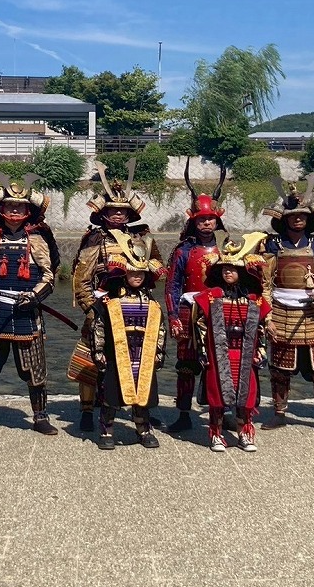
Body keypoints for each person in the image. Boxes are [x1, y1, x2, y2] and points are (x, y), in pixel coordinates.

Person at [70, 160, 161, 431]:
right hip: (102, 306)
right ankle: (87, 410)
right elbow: (81, 278)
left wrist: (148, 272)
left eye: (123, 211)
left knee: (137, 358)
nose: (119, 215)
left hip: (134, 307)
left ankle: (139, 409)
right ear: (104, 213)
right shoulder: (95, 239)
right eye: (113, 210)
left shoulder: (142, 237)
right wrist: (90, 308)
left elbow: (157, 266)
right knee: (91, 358)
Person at [0, 176, 59, 437]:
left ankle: (40, 417)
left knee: (35, 370)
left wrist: (34, 296)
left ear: (28, 210)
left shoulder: (37, 240)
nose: (15, 210)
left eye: (20, 206)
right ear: (1, 209)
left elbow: (48, 276)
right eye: (10, 205)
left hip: (26, 311)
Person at [260, 175, 314, 435]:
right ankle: (279, 414)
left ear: (308, 218)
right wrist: (267, 316)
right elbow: (266, 282)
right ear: (285, 219)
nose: (297, 219)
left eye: (302, 216)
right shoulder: (273, 244)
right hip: (282, 312)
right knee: (279, 370)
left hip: (312, 313)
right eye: (293, 216)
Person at [192, 233, 271, 452]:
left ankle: (244, 433)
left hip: (244, 354)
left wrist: (261, 351)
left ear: (242, 272)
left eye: (233, 269)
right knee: (217, 395)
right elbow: (200, 327)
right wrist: (202, 352)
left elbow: (261, 329)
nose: (228, 272)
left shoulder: (253, 300)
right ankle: (216, 434)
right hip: (218, 354)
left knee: (245, 397)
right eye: (225, 269)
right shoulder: (210, 297)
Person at [164, 165, 228, 433]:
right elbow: (172, 285)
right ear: (193, 222)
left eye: (210, 219)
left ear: (217, 221)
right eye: (202, 220)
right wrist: (173, 316)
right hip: (189, 311)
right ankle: (183, 413)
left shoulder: (227, 249)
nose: (206, 224)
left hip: (220, 310)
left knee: (222, 361)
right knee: (186, 366)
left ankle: (222, 411)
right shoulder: (182, 251)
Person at [91, 230, 167, 450]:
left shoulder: (151, 302)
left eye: (141, 273)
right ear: (125, 273)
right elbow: (99, 326)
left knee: (143, 392)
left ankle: (143, 428)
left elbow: (160, 328)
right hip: (117, 354)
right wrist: (98, 351)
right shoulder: (109, 300)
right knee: (112, 393)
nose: (137, 277)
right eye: (133, 272)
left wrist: (159, 352)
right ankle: (107, 430)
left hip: (143, 354)